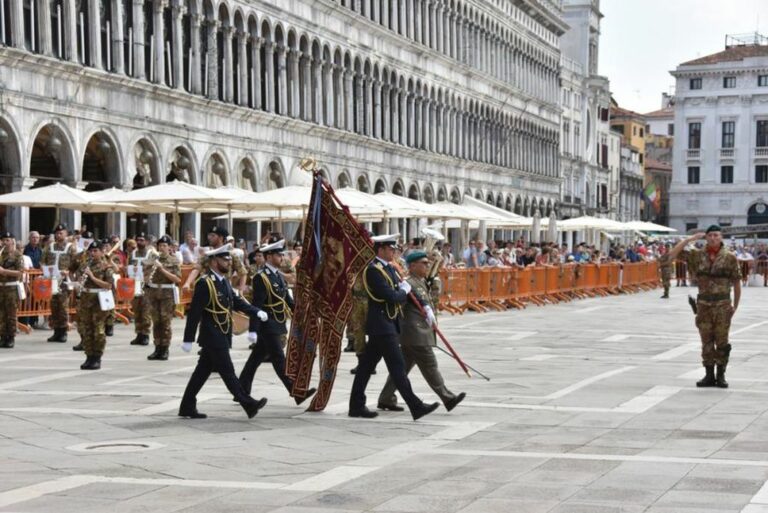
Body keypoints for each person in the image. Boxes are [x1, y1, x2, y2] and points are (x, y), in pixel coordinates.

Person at [348, 233, 439, 421]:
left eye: (395, 249)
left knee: (365, 367)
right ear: (381, 249)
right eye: (391, 249)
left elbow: (407, 287)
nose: (394, 252)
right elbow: (389, 295)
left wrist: (426, 306)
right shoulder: (373, 270)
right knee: (397, 367)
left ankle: (356, 405)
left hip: (387, 324)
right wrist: (403, 292)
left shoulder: (389, 268)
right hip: (382, 326)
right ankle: (415, 405)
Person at [178, 245, 269, 419]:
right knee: (228, 371)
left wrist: (255, 311)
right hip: (212, 335)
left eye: (228, 259)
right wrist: (188, 339)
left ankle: (186, 406)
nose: (228, 262)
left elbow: (236, 302)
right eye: (224, 259)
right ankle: (248, 403)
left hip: (222, 333)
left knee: (201, 372)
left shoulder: (223, 281)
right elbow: (195, 312)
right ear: (213, 261)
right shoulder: (205, 283)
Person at [377, 251, 466, 412]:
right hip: (415, 333)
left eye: (427, 263)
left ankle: (386, 398)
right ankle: (448, 397)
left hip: (416, 333)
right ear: (412, 266)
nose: (427, 265)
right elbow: (400, 307)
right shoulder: (409, 283)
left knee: (401, 368)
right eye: (423, 263)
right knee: (430, 365)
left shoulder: (420, 281)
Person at [238, 238, 316, 405]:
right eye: (278, 255)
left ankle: (241, 389)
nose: (282, 258)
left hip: (278, 322)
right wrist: (253, 329)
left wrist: (301, 313)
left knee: (255, 358)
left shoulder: (277, 276)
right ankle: (296, 392)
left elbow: (287, 299)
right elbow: (257, 304)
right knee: (279, 360)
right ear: (269, 257)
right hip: (267, 325)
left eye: (281, 255)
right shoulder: (261, 277)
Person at [666, 225, 741, 388]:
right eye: (710, 235)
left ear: (721, 237)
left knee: (722, 341)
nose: (713, 238)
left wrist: (735, 305)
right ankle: (708, 375)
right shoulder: (697, 256)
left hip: (722, 305)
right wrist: (689, 239)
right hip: (704, 305)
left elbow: (736, 282)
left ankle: (720, 375)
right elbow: (671, 256)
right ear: (706, 238)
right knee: (706, 341)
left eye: (716, 235)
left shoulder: (730, 257)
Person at [70, 241, 114, 369]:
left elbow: (108, 285)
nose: (93, 253)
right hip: (85, 299)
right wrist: (77, 283)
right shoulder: (84, 265)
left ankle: (97, 357)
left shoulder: (106, 267)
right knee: (86, 328)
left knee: (98, 329)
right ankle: (89, 356)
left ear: (101, 252)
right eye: (91, 251)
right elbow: (76, 276)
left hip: (99, 300)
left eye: (96, 251)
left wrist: (92, 277)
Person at [144, 235, 182, 361]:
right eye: (160, 246)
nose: (162, 248)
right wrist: (149, 267)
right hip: (154, 293)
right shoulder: (153, 259)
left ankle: (165, 348)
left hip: (167, 294)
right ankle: (157, 347)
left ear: (169, 247)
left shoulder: (174, 260)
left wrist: (162, 269)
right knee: (156, 321)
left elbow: (177, 279)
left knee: (165, 321)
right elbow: (145, 275)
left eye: (165, 246)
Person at [42, 224, 78, 343]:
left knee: (62, 306)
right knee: (54, 306)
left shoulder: (70, 247)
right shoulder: (49, 246)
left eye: (61, 233)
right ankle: (56, 331)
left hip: (64, 281)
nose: (59, 235)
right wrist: (45, 270)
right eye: (57, 233)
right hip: (52, 280)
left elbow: (76, 264)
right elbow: (43, 261)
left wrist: (68, 272)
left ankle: (63, 331)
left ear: (66, 234)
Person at [128, 233, 154, 346]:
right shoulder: (133, 253)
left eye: (142, 240)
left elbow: (155, 267)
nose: (139, 242)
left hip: (146, 285)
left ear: (147, 242)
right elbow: (129, 266)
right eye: (138, 240)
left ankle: (145, 334)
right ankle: (139, 333)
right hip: (135, 284)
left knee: (145, 310)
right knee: (137, 309)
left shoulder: (151, 253)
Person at [0, 232, 24, 348]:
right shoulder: (0, 254)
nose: (5, 242)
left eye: (7, 240)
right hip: (1, 287)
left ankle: (11, 337)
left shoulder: (17, 255)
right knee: (1, 314)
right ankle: (3, 336)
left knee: (11, 314)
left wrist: (4, 271)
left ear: (12, 241)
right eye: (4, 240)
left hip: (11, 287)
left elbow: (20, 272)